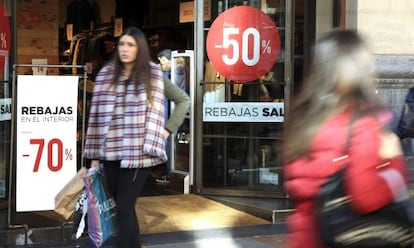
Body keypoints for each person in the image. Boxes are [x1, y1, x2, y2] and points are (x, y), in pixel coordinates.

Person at [282, 29, 410, 248]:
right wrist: (396, 163)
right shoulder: (361, 121)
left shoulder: (301, 118)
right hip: (345, 237)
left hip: (305, 237)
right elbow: (366, 197)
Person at [83, 26, 190, 248]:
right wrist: (94, 156)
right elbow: (96, 117)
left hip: (140, 152)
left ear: (139, 48)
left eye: (130, 45)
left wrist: (167, 129)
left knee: (123, 206)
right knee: (124, 206)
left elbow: (183, 100)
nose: (124, 48)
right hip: (110, 152)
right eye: (122, 44)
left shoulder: (152, 75)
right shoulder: (106, 75)